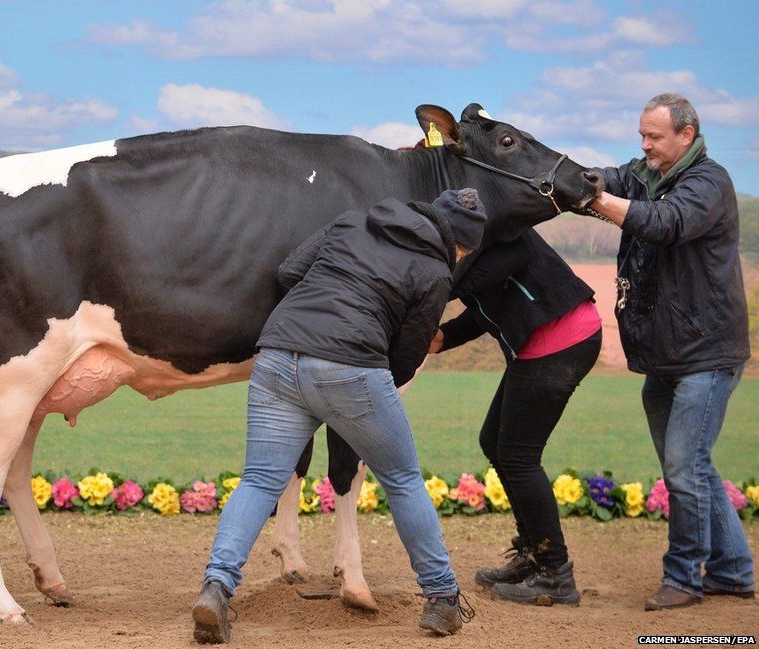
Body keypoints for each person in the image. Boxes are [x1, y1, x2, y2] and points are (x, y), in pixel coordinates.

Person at [191, 189, 487, 643]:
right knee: (403, 478)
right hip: (350, 367)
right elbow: (407, 355)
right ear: (459, 246)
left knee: (258, 480)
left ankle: (217, 586)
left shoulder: (351, 222)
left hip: (277, 355)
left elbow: (289, 271)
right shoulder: (434, 271)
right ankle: (443, 599)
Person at [588, 93, 754, 610]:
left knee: (684, 467)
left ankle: (683, 578)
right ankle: (731, 571)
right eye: (642, 135)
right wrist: (556, 172)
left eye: (654, 137)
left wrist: (598, 203)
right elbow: (606, 178)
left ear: (687, 135)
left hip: (706, 354)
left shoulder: (709, 183)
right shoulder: (644, 172)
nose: (645, 145)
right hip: (665, 354)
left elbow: (664, 224)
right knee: (692, 467)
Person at [431, 228, 602, 606]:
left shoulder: (505, 234)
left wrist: (428, 287)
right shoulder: (471, 255)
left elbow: (484, 274)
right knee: (493, 442)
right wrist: (441, 336)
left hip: (562, 338)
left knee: (519, 456)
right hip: (543, 342)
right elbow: (486, 305)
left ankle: (556, 574)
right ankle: (533, 555)